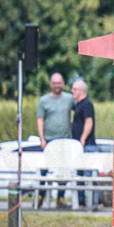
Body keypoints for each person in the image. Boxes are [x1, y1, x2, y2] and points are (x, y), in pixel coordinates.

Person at [36, 72, 75, 208]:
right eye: (54, 83)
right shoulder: (44, 100)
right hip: (49, 140)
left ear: (63, 83)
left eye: (59, 83)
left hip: (65, 141)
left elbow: (80, 110)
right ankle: (40, 196)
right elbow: (40, 120)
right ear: (50, 84)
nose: (57, 85)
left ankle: (60, 199)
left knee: (63, 172)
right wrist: (42, 139)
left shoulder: (70, 99)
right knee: (44, 171)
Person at [71, 79, 98, 208]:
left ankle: (93, 202)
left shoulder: (86, 104)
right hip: (80, 147)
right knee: (79, 175)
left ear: (82, 91)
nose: (72, 91)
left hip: (87, 146)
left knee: (89, 175)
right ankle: (81, 201)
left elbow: (89, 122)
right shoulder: (78, 105)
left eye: (74, 89)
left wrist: (82, 138)